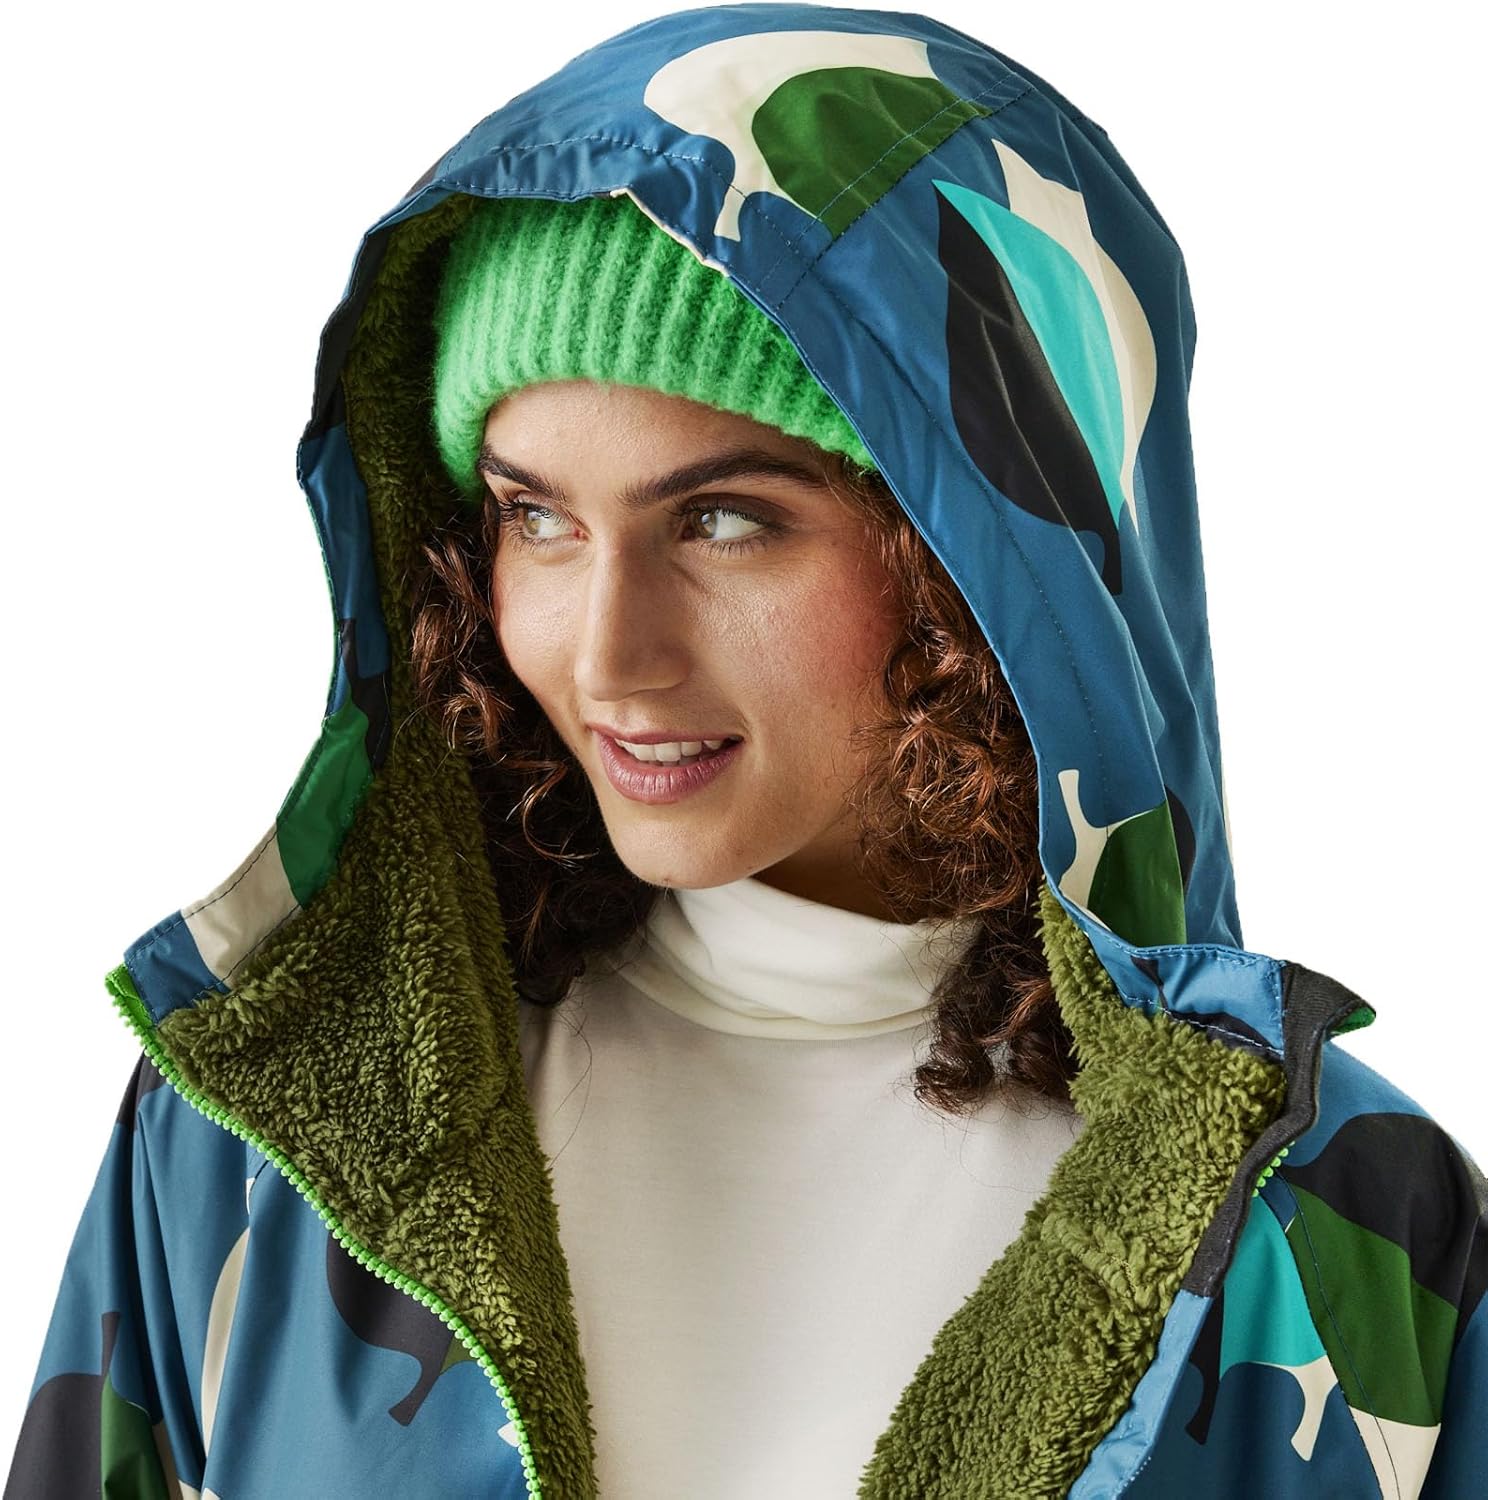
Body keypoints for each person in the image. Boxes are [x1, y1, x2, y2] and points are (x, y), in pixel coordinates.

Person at [6, 4, 1484, 1497]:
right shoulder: (263, 1132)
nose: (608, 657)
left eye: (724, 521)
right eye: (535, 518)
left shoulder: (1336, 1228)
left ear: (984, 569)